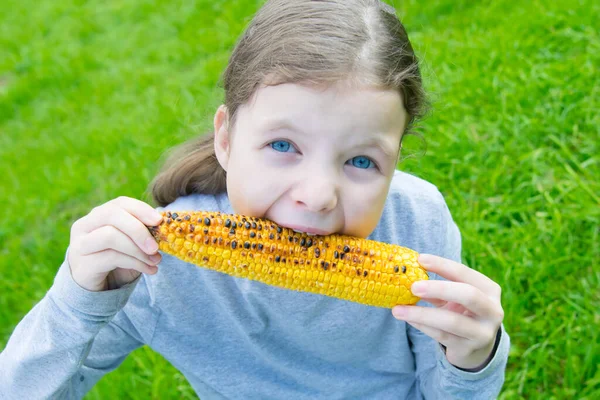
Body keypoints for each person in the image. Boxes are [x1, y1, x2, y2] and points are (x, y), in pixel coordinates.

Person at [0, 0, 509, 398]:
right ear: (225, 139)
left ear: (395, 160)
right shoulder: (157, 269)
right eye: (283, 146)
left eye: (361, 161)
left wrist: (472, 358)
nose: (316, 196)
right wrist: (76, 303)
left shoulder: (415, 221)